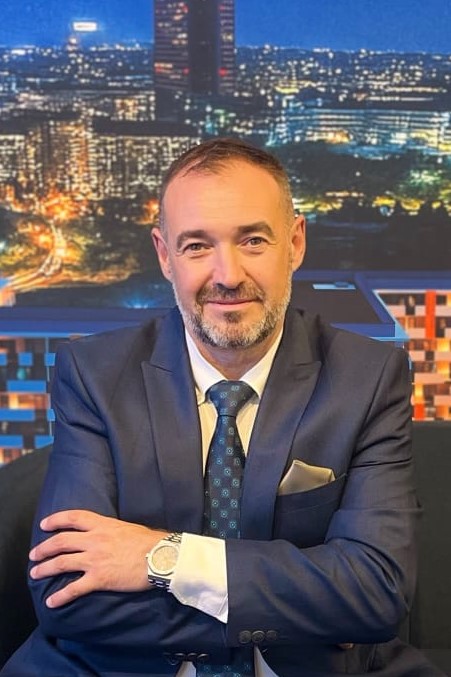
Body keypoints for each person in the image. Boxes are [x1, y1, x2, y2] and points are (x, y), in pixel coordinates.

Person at [1, 138, 443, 677]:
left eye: (253, 240)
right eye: (196, 246)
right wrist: (308, 611)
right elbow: (66, 593)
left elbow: (376, 592)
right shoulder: (93, 374)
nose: (228, 275)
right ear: (165, 255)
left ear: (295, 243)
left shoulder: (369, 377)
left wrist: (165, 558)